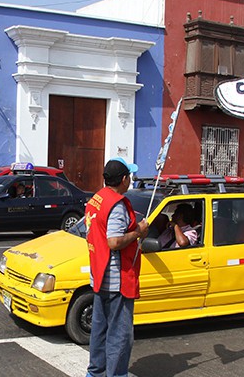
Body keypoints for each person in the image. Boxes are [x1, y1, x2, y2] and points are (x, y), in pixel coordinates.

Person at [85, 157, 149, 377]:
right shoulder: (117, 205)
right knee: (120, 335)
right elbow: (114, 241)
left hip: (99, 275)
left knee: (100, 330)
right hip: (116, 279)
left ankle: (95, 373)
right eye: (129, 176)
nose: (130, 180)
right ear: (123, 179)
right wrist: (138, 231)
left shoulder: (97, 198)